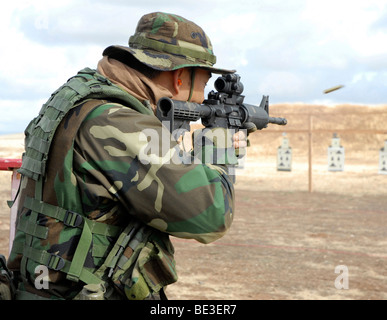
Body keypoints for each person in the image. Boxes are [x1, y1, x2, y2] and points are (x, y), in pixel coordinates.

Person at [6, 12, 245, 300]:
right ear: (180, 76)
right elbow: (212, 215)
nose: (201, 99)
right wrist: (218, 148)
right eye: (204, 84)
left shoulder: (77, 97)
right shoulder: (119, 122)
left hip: (39, 288)